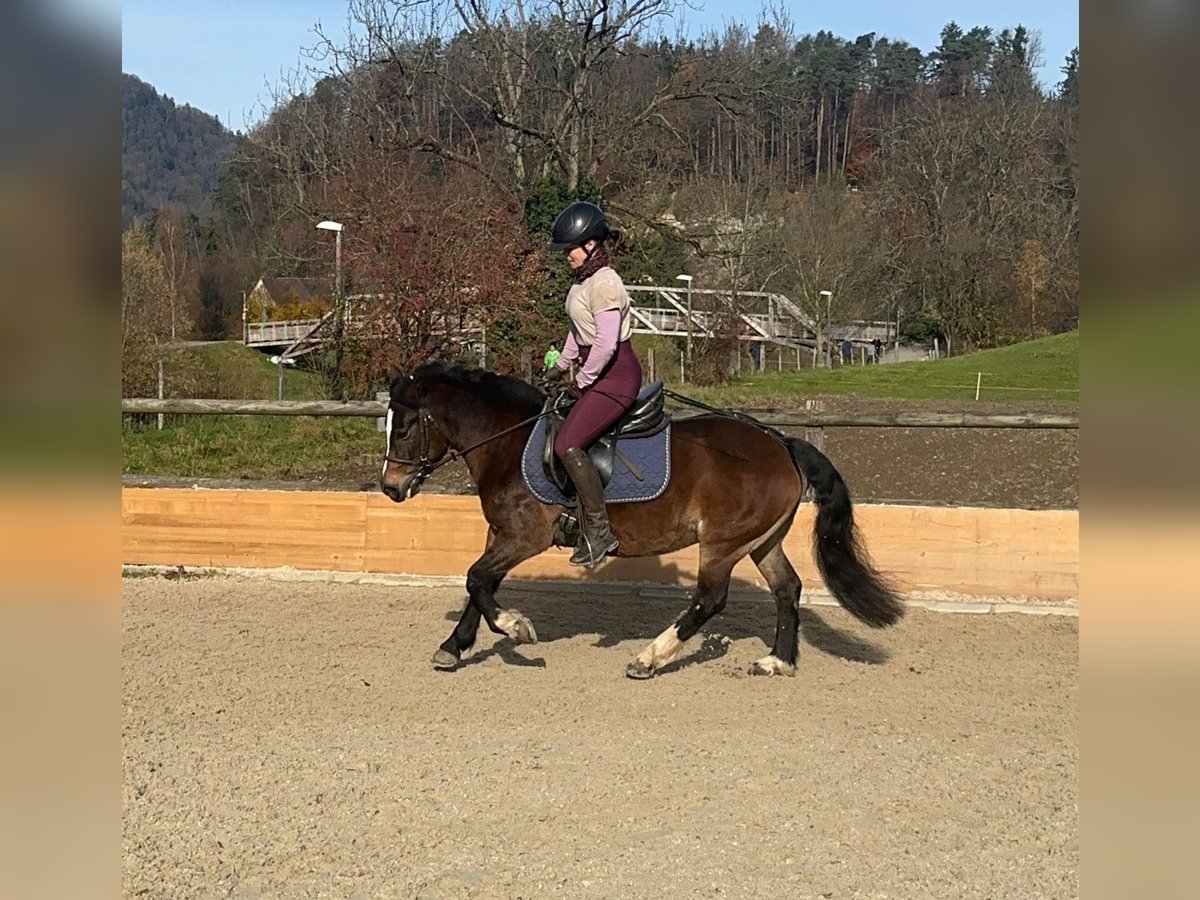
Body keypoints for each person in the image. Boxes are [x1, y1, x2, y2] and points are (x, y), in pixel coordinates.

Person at [541, 201, 644, 568]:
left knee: (567, 444)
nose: (565, 255)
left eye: (570, 248)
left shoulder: (605, 283)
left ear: (590, 244)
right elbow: (578, 334)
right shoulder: (581, 283)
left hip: (617, 376)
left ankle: (600, 531)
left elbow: (605, 344)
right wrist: (560, 367)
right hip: (598, 372)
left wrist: (582, 381)